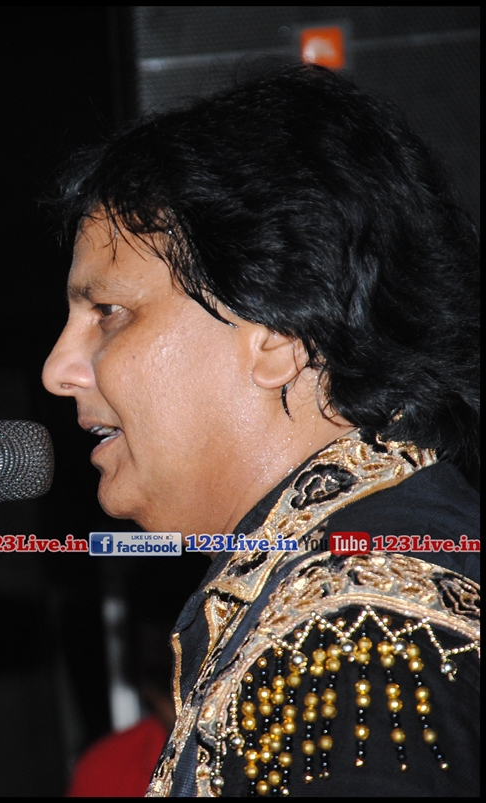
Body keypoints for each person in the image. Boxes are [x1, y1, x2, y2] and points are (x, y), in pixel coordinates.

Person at [42, 65, 479, 797]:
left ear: (277, 333)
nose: (59, 368)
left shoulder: (356, 636)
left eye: (109, 313)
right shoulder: (344, 583)